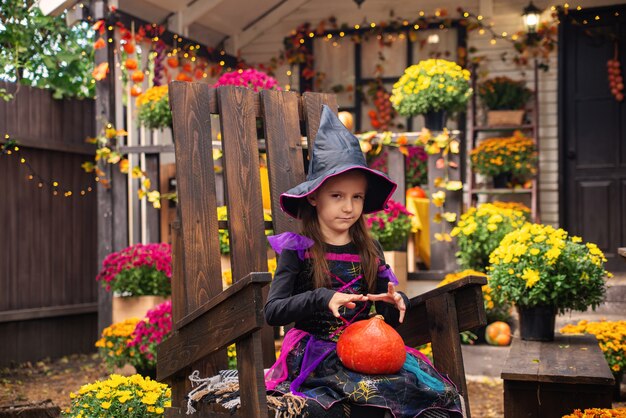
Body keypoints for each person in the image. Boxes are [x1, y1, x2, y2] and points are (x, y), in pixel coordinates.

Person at [264, 105, 464, 418]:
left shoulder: (369, 249)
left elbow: (383, 310)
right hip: (314, 356)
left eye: (357, 197)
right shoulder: (299, 249)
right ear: (314, 197)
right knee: (335, 410)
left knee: (424, 399)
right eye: (337, 196)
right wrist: (323, 297)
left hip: (366, 349)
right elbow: (273, 311)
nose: (349, 207)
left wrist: (393, 301)